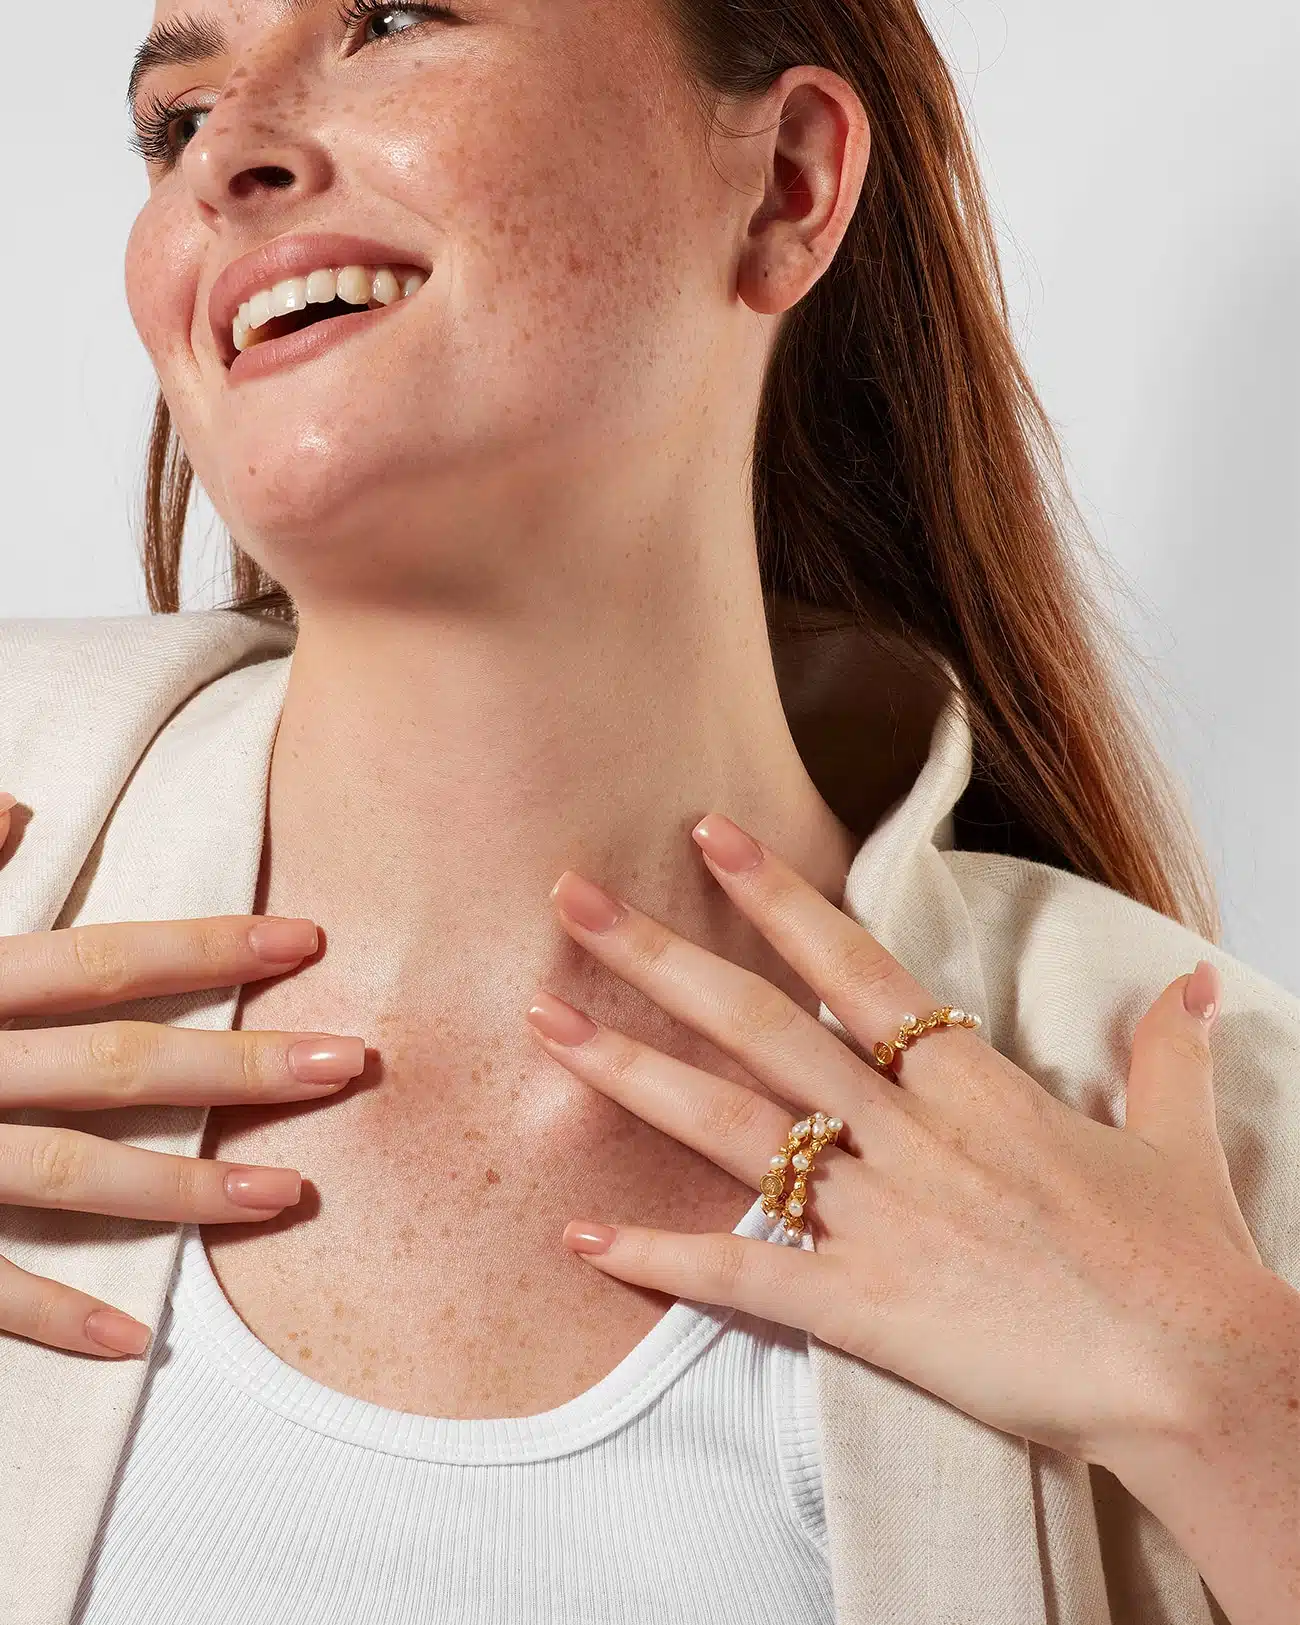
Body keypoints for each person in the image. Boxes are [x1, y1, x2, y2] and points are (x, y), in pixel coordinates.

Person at [0, 1, 1295, 1621]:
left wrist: (1230, 1405)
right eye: (174, 120)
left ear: (787, 185)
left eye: (392, 16)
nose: (227, 156)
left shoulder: (1191, 1124)